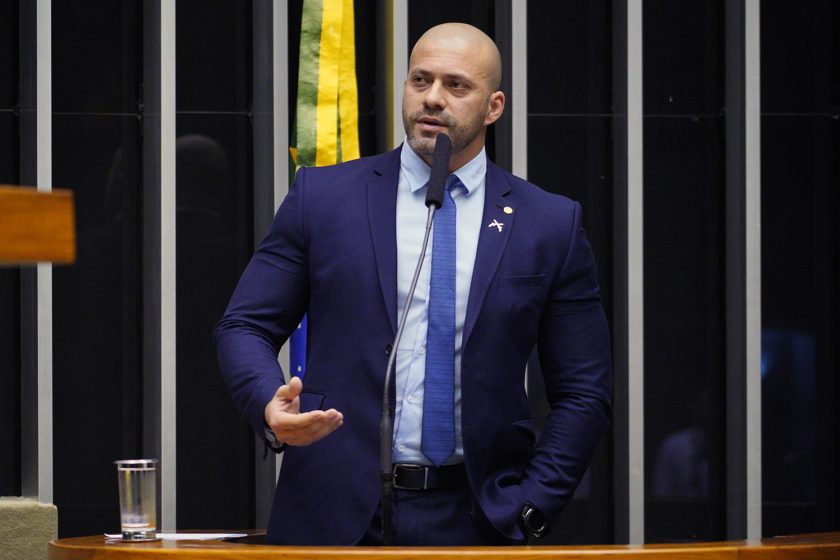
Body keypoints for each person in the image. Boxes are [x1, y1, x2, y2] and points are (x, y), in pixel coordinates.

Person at [215, 22, 612, 546]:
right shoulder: (324, 199)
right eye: (420, 80)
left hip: (477, 519)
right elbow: (244, 325)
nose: (432, 98)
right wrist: (270, 404)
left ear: (493, 107)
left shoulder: (548, 224)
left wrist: (531, 508)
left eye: (456, 86)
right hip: (331, 516)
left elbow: (584, 391)